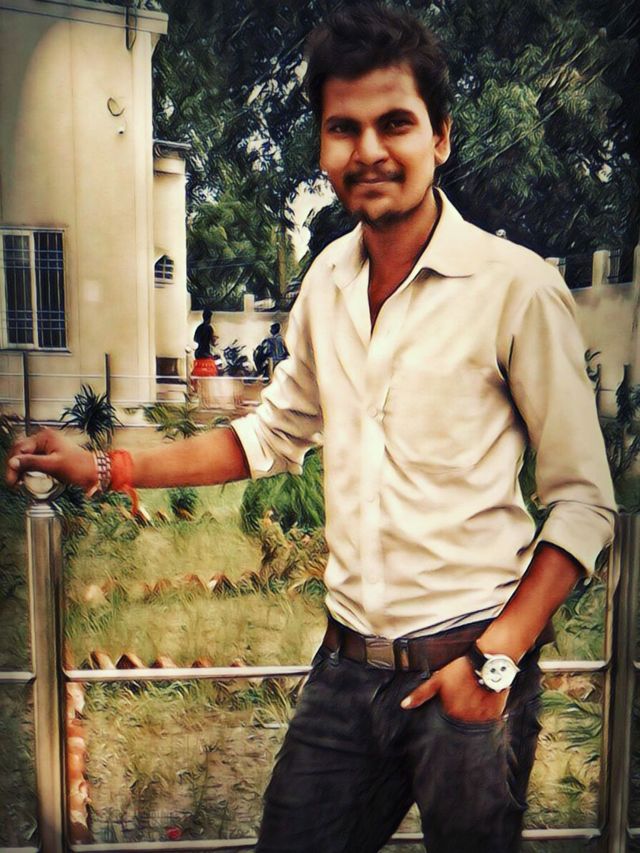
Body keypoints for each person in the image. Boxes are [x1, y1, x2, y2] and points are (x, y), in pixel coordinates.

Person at [6, 6, 616, 852]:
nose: (369, 150)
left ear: (440, 137)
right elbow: (265, 436)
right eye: (343, 128)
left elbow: (584, 501)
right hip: (345, 675)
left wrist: (496, 661)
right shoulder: (327, 280)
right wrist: (104, 467)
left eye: (394, 123)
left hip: (469, 671)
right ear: (324, 149)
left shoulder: (515, 288)